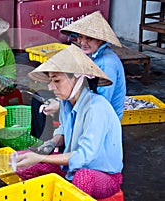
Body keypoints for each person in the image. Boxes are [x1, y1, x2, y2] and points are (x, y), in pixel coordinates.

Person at [13, 44, 123, 199]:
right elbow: (64, 131)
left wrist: (41, 158)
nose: (51, 87)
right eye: (51, 81)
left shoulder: (96, 108)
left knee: (83, 179)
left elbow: (84, 157)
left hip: (102, 175)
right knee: (22, 161)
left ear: (78, 78)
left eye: (57, 80)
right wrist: (51, 143)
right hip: (70, 170)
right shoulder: (66, 102)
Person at [31, 11, 126, 140]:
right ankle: (44, 142)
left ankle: (52, 145)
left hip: (100, 115)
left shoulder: (107, 63)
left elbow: (100, 101)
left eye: (89, 38)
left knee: (60, 106)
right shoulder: (89, 54)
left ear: (101, 39)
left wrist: (59, 105)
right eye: (80, 37)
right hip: (83, 98)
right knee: (39, 97)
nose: (83, 42)